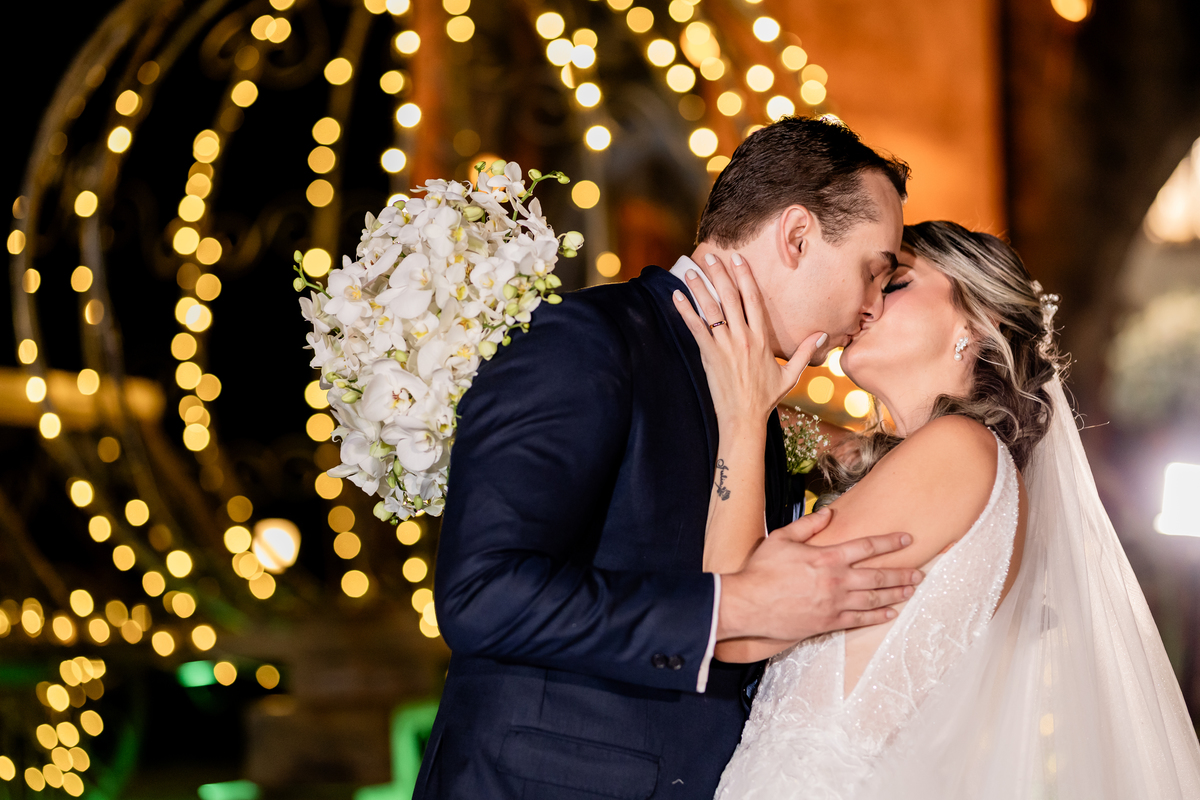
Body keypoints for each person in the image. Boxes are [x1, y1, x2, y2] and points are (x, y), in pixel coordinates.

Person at [413, 118, 923, 799]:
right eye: (872, 272)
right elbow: (480, 594)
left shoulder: (762, 405)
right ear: (797, 236)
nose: (871, 308)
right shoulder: (589, 341)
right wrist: (732, 606)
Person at [675, 221, 1200, 798]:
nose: (866, 303)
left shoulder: (958, 450)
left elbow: (733, 625)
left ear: (976, 320)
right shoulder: (949, 463)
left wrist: (743, 417)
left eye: (894, 283)